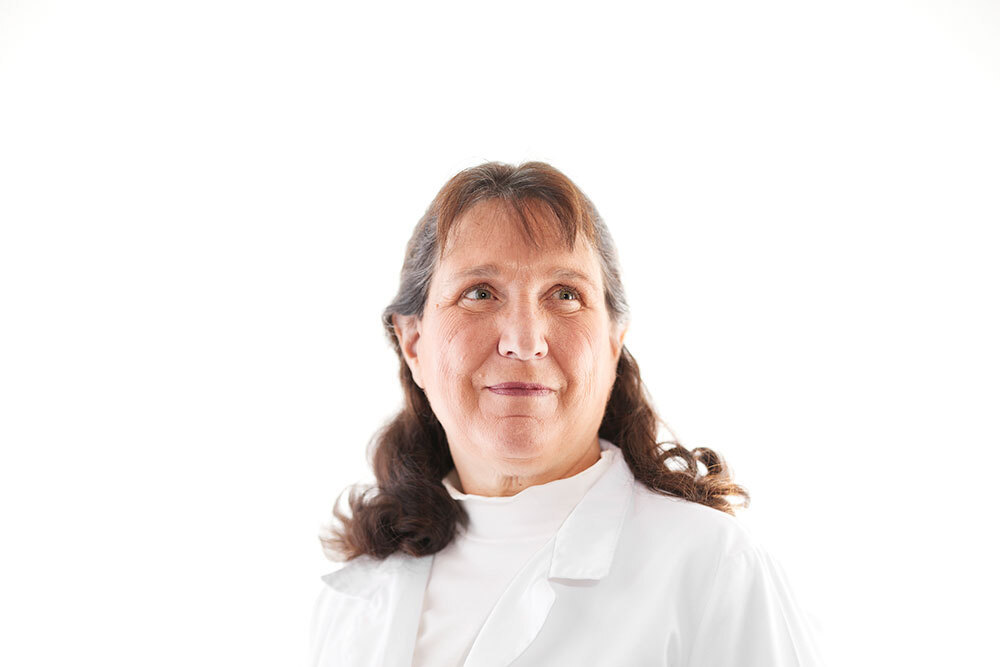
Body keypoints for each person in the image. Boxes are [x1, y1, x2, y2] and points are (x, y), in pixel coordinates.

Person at [310, 161, 824, 666]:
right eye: (480, 293)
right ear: (414, 342)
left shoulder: (711, 568)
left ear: (612, 341)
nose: (524, 340)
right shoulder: (355, 596)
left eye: (564, 295)